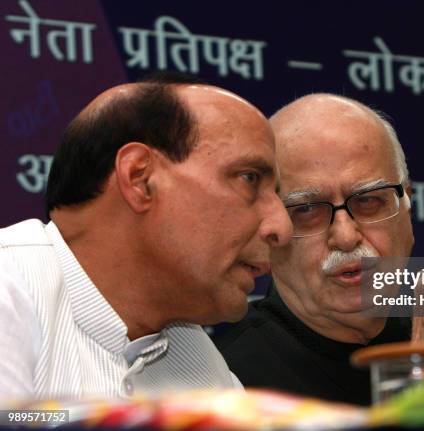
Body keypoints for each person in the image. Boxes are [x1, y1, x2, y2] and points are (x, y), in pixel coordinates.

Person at [214, 93, 424, 406]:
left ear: (407, 205)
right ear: (271, 228)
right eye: (307, 211)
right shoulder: (227, 380)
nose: (345, 236)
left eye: (368, 201)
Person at [0, 74, 293, 399]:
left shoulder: (197, 357)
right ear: (139, 178)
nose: (282, 227)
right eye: (248, 179)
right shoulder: (9, 289)